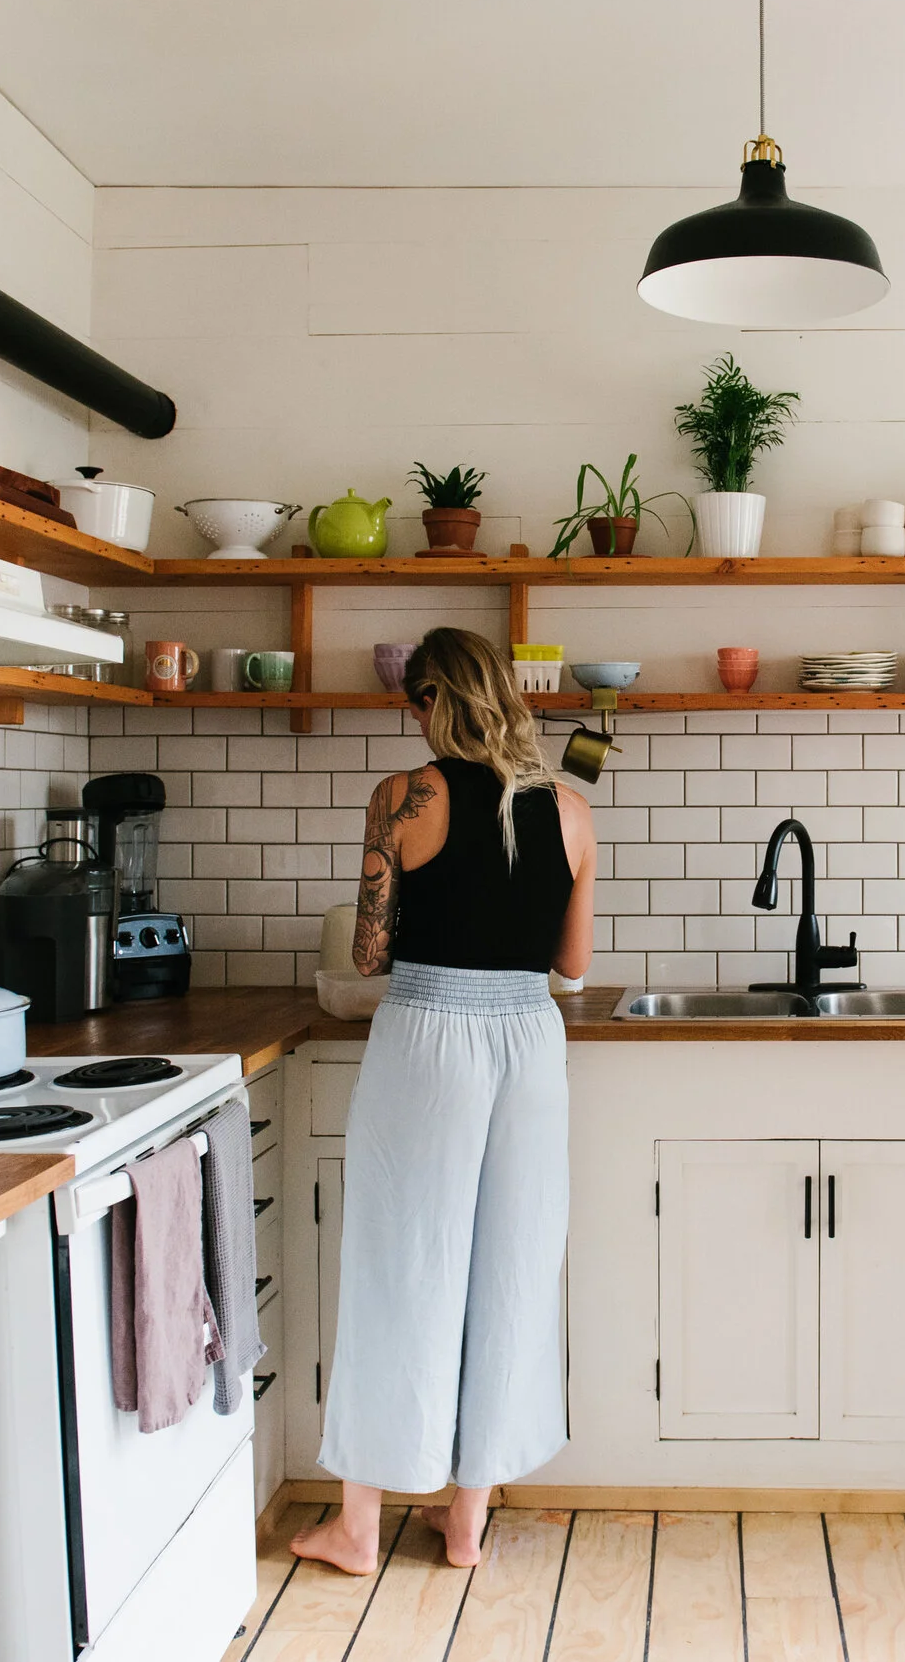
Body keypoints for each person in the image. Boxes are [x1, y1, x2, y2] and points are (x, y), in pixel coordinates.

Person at [291, 626, 597, 1574]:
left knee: (401, 1267)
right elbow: (572, 965)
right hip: (528, 1042)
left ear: (430, 702)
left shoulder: (403, 797)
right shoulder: (571, 809)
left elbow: (368, 956)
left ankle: (359, 1524)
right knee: (512, 1268)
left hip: (428, 1041)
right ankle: (466, 1519)